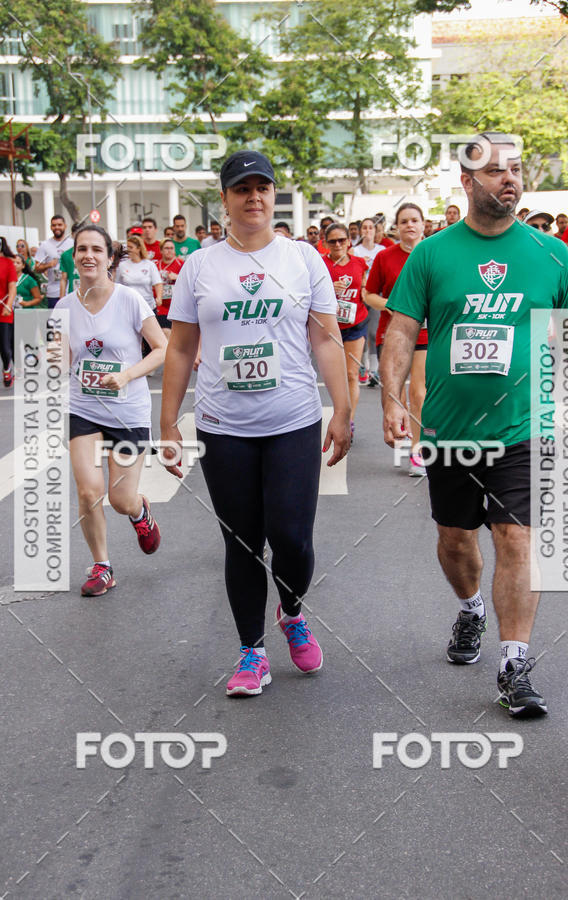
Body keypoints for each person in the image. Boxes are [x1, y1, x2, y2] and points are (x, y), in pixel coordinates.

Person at [380, 132, 568, 718]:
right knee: (456, 542)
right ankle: (472, 608)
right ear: (467, 182)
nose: (511, 180)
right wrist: (393, 400)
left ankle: (515, 664)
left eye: (517, 170)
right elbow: (401, 330)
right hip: (451, 430)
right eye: (497, 171)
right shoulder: (432, 254)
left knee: (516, 537)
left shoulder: (550, 254)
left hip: (524, 426)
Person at [161, 149, 350, 697]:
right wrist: (169, 422)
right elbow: (180, 349)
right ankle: (251, 650)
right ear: (224, 200)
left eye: (262, 187)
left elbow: (325, 337)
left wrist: (341, 409)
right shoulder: (200, 265)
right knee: (242, 542)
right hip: (223, 426)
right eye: (241, 189)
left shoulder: (304, 260)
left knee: (290, 537)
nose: (253, 197)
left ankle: (290, 610)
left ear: (274, 194)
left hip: (291, 418)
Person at [55, 225, 167, 596]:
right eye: (81, 249)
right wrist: (50, 358)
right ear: (74, 256)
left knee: (119, 499)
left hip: (127, 409)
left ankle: (138, 511)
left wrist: (127, 374)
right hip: (83, 406)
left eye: (96, 250)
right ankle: (102, 566)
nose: (88, 255)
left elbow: (162, 349)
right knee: (89, 492)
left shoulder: (130, 301)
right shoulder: (64, 307)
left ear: (109, 258)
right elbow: (61, 358)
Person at [365, 203, 427, 474]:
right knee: (396, 394)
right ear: (396, 227)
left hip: (427, 332)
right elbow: (368, 294)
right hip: (392, 335)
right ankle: (402, 433)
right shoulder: (384, 257)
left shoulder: (433, 253)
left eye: (414, 220)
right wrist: (391, 304)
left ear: (423, 224)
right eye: (404, 221)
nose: (410, 225)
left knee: (420, 391)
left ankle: (418, 451)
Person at [322, 222, 369, 440]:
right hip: (330, 327)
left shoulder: (360, 263)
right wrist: (329, 290)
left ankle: (349, 420)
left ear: (349, 241)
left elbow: (366, 291)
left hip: (355, 324)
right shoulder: (321, 265)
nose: (338, 244)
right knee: (334, 375)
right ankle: (338, 412)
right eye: (333, 241)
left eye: (342, 240)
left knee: (351, 374)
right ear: (325, 244)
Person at [353, 218, 386, 386]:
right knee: (362, 334)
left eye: (371, 227)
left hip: (375, 295)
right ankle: (362, 366)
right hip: (360, 296)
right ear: (360, 231)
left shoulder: (382, 250)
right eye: (364, 227)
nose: (367, 230)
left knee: (374, 333)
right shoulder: (355, 251)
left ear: (376, 230)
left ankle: (374, 369)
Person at [115, 234, 162, 313]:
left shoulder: (149, 265)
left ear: (138, 248)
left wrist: (159, 297)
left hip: (148, 306)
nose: (128, 250)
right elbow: (116, 285)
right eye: (127, 247)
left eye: (131, 247)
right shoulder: (122, 265)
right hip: (128, 307)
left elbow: (157, 283)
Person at [34, 215, 74, 309]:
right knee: (55, 322)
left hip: (71, 290)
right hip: (53, 293)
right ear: (51, 227)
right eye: (54, 225)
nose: (57, 227)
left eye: (59, 225)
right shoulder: (45, 245)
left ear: (65, 226)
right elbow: (37, 268)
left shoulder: (73, 243)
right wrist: (48, 265)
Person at [156, 238, 183, 338]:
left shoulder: (180, 264)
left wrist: (177, 277)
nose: (169, 251)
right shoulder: (155, 265)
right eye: (166, 248)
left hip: (175, 305)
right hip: (160, 305)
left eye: (171, 248)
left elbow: (190, 281)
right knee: (164, 332)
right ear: (161, 250)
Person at [0, 237, 17, 386]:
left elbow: (12, 288)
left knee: (5, 348)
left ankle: (7, 367)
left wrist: (8, 305)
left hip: (3, 311)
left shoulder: (8, 264)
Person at [59, 224, 81, 298]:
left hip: (91, 294)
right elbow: (63, 279)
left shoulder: (92, 253)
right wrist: (61, 298)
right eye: (76, 233)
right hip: (73, 294)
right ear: (72, 235)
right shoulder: (66, 255)